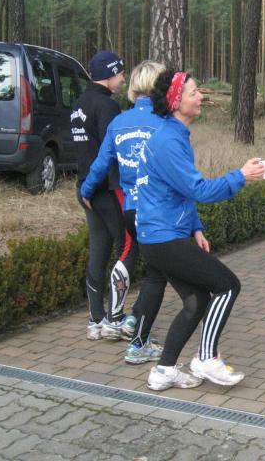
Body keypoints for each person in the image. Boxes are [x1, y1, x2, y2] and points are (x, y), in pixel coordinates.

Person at [135, 70, 265, 391]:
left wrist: (195, 227)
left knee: (196, 302)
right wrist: (241, 176)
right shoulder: (168, 141)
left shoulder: (174, 135)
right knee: (228, 286)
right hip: (163, 238)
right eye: (193, 93)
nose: (200, 97)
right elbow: (199, 190)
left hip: (162, 237)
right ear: (175, 102)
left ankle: (164, 371)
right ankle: (206, 357)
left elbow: (181, 191)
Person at [79, 60, 167, 363]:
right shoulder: (165, 123)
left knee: (130, 252)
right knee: (154, 267)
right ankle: (128, 323)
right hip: (158, 207)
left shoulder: (119, 122)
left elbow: (101, 163)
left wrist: (86, 190)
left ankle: (123, 319)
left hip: (129, 204)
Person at [71, 50, 138, 341]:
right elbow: (111, 152)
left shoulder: (78, 104)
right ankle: (115, 317)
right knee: (128, 247)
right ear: (109, 74)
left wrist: (87, 186)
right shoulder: (107, 106)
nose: (123, 78)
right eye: (120, 73)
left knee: (98, 251)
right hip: (107, 189)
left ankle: (95, 319)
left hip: (85, 189)